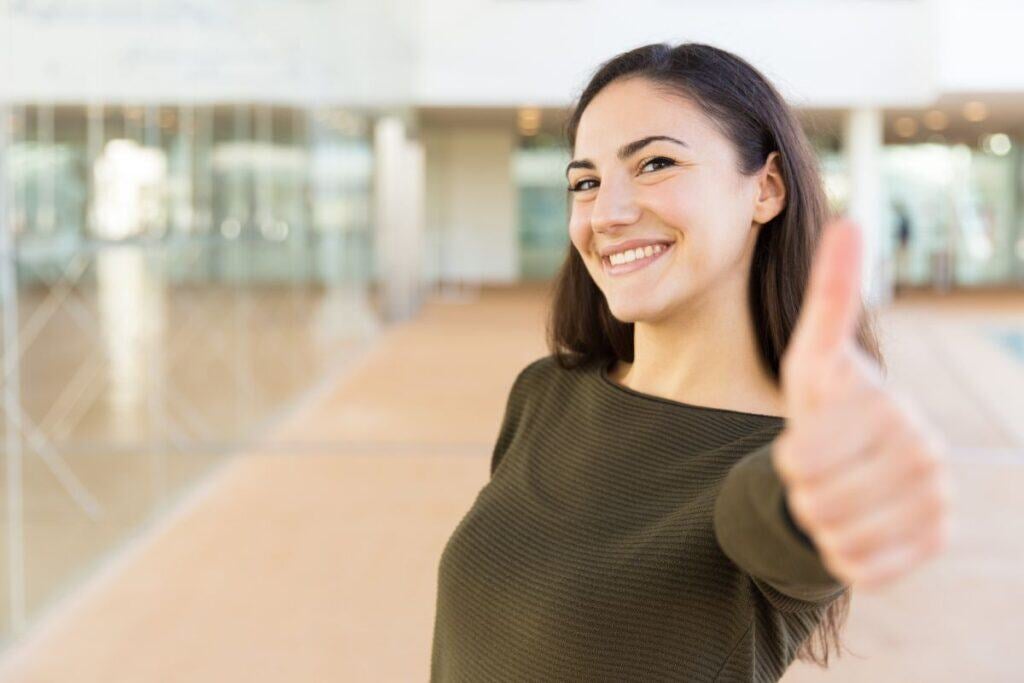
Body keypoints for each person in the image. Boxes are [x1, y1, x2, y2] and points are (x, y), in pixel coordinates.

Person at [430, 42, 953, 682]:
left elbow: (779, 517)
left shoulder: (780, 460)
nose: (607, 214)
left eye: (655, 164)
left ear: (765, 189)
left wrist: (839, 480)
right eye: (586, 181)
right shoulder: (546, 393)